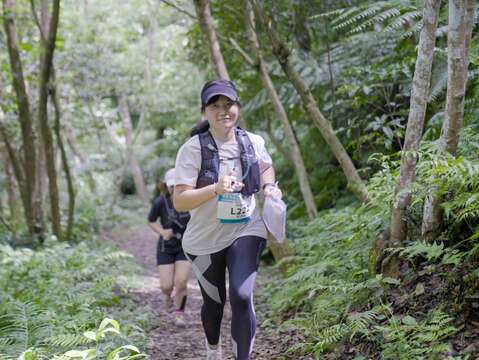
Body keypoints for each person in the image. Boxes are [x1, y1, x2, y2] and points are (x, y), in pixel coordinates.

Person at [173, 79, 282, 360]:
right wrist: (216, 188)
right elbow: (180, 200)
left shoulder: (253, 142)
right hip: (203, 240)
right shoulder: (192, 149)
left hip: (246, 227)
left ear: (238, 108)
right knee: (214, 303)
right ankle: (213, 348)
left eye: (229, 104)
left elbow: (266, 168)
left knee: (242, 296)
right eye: (215, 106)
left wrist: (270, 187)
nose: (224, 111)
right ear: (205, 111)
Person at [148, 168, 191, 326]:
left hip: (185, 246)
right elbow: (151, 221)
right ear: (166, 186)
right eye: (171, 186)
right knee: (166, 286)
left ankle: (179, 314)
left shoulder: (191, 200)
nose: (174, 189)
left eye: (177, 185)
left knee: (181, 281)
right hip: (166, 246)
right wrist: (162, 231)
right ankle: (168, 296)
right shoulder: (160, 202)